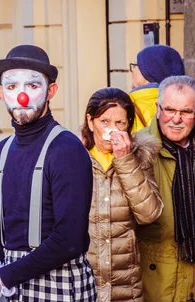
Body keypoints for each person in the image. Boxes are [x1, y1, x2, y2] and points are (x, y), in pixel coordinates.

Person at [0, 45, 96, 302]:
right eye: (12, 87)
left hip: (59, 285)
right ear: (1, 93)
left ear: (51, 90)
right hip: (14, 283)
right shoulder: (1, 151)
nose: (22, 97)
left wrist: (4, 276)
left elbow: (70, 239)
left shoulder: (66, 149)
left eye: (32, 86)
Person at [136, 76, 195, 301]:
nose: (176, 119)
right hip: (157, 282)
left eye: (185, 112)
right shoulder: (136, 151)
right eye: (169, 109)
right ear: (158, 109)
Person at [81, 87, 163, 301]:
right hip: (85, 282)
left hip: (127, 285)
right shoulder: (74, 159)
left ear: (129, 126)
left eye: (120, 123)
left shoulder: (140, 158)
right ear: (90, 122)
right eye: (104, 122)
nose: (111, 130)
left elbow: (149, 214)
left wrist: (125, 161)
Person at [129, 45, 184, 132]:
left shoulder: (125, 106)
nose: (132, 71)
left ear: (147, 72)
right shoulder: (187, 106)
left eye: (136, 65)